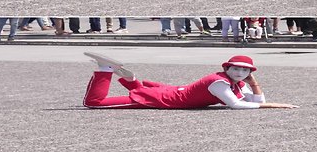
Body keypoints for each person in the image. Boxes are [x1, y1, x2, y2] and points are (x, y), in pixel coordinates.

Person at [83, 52, 299, 109]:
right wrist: (272, 105)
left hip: (174, 93)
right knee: (94, 103)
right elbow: (237, 105)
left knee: (141, 89)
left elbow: (254, 99)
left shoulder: (235, 82)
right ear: (228, 68)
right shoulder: (220, 83)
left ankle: (133, 81)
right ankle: (105, 70)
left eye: (245, 71)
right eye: (237, 69)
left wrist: (254, 83)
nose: (241, 73)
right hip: (165, 99)